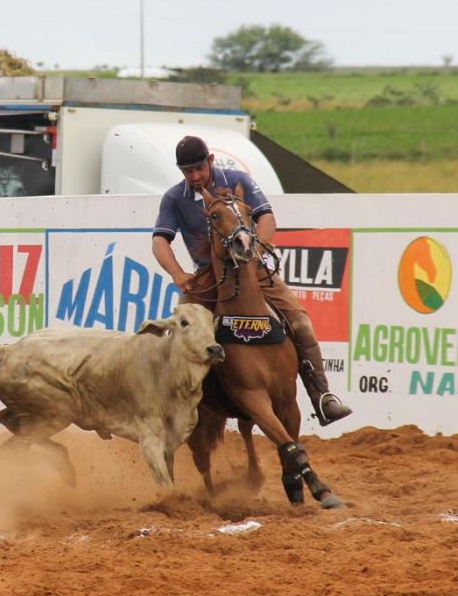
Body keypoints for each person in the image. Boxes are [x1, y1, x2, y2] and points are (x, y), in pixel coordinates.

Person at [151, 135, 352, 426]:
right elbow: (160, 240)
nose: (194, 176)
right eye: (187, 171)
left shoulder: (237, 180)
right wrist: (177, 273)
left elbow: (266, 216)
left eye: (198, 168)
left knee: (300, 323)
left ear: (210, 162)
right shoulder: (174, 198)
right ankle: (169, 407)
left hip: (252, 269)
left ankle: (322, 396)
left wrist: (258, 250)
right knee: (178, 336)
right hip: (207, 280)